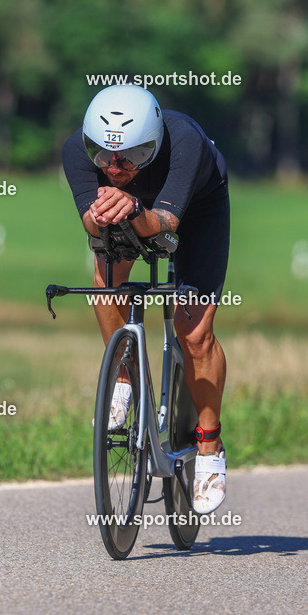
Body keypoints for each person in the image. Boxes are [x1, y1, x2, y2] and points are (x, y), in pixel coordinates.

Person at [62, 84, 231, 514]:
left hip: (193, 209)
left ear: (153, 142)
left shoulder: (185, 142)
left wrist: (134, 208)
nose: (114, 167)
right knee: (107, 272)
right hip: (132, 210)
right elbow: (89, 222)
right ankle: (122, 378)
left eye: (131, 157)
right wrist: (101, 214)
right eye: (103, 156)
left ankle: (209, 443)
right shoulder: (76, 151)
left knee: (193, 331)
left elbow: (163, 223)